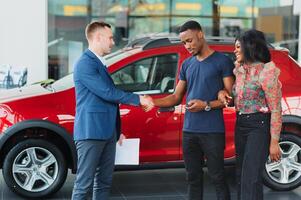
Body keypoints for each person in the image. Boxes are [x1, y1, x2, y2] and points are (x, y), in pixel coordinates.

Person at [151, 20, 234, 200]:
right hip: (189, 131)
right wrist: (151, 102)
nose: (187, 46)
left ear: (200, 35)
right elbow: (175, 97)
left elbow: (230, 98)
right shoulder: (187, 65)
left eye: (189, 40)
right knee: (192, 178)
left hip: (212, 131)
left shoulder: (222, 61)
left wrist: (205, 105)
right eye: (183, 42)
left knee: (218, 177)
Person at [71, 21, 153, 200]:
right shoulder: (85, 63)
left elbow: (106, 100)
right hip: (90, 132)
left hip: (107, 133)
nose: (113, 42)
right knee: (83, 184)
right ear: (98, 37)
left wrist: (117, 131)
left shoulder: (99, 63)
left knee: (104, 181)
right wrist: (138, 99)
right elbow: (107, 93)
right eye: (110, 38)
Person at [218, 29, 282, 200]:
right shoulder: (239, 70)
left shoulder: (266, 72)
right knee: (241, 176)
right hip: (241, 124)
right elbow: (235, 99)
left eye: (238, 46)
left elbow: (276, 109)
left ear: (249, 47)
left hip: (259, 126)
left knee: (250, 177)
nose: (235, 50)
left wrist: (274, 142)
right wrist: (223, 95)